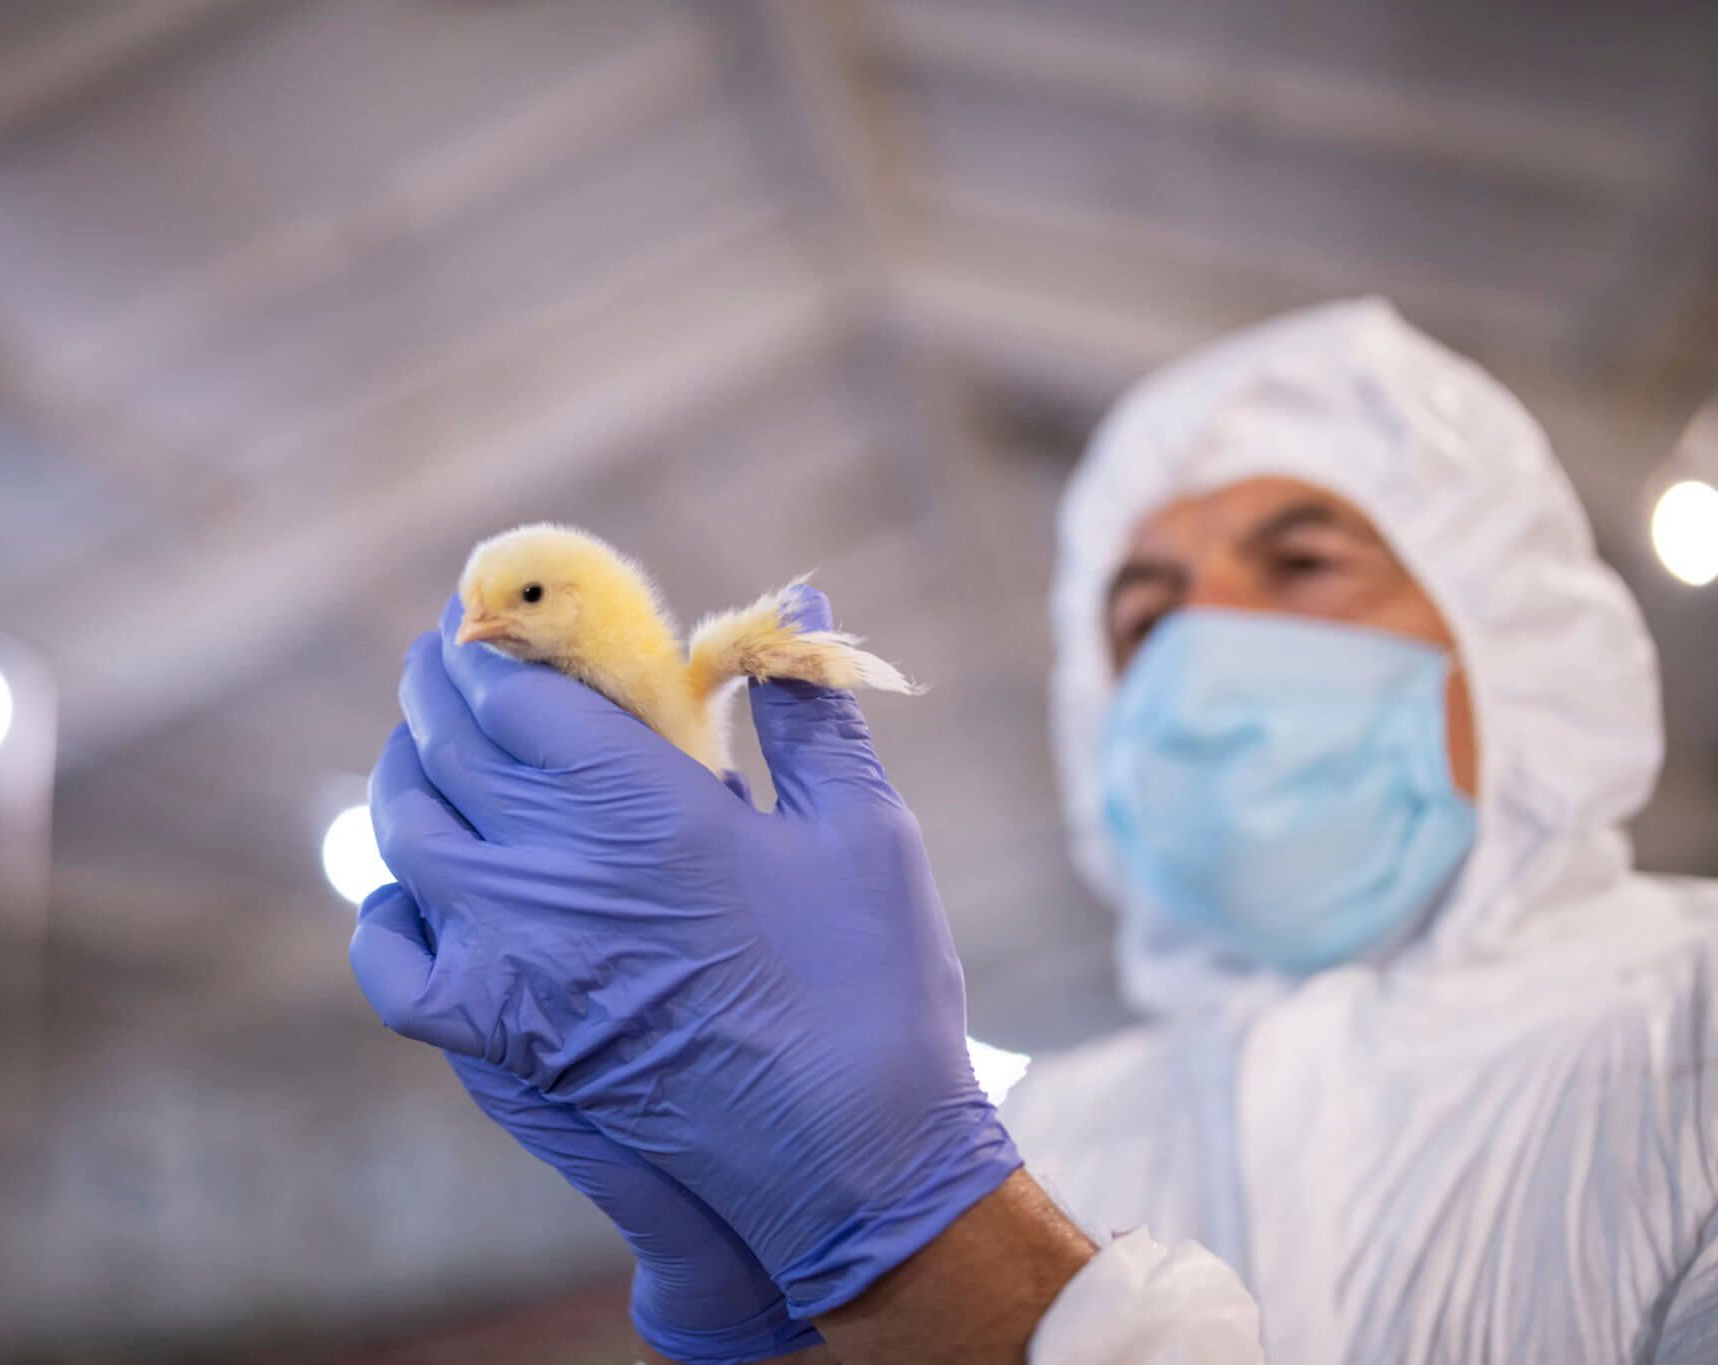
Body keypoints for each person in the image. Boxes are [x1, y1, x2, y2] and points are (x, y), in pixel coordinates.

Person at [349, 299, 1717, 1363]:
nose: (1202, 646)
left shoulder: (1692, 1030)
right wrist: (743, 1325)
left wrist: (915, 1233)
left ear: (1516, 634)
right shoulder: (1055, 1129)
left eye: (1301, 564)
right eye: (1141, 616)